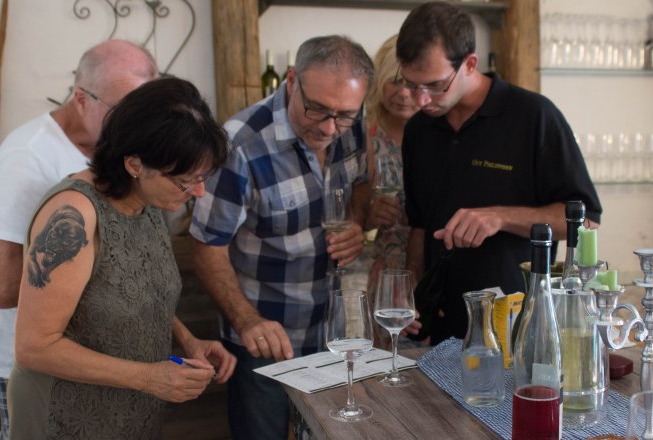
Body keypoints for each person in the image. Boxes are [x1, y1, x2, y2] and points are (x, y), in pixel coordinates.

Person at [7, 77, 237, 439]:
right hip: (66, 418)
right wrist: (150, 376)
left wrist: (188, 340)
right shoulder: (74, 217)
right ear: (134, 164)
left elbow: (129, 290)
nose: (199, 192)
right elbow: (34, 347)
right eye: (185, 181)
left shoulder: (147, 201)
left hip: (129, 411)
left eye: (202, 177)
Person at [189, 35, 374, 439]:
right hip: (265, 336)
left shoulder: (352, 123)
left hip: (334, 329)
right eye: (317, 109)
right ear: (291, 80)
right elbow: (206, 246)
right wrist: (247, 320)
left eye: (343, 115)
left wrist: (357, 222)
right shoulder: (238, 144)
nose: (329, 127)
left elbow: (361, 183)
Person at [396, 2, 602, 344]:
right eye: (409, 84)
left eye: (434, 85)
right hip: (442, 330)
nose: (420, 99)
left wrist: (500, 217)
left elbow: (586, 222)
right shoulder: (419, 130)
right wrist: (414, 293)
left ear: (470, 64)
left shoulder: (533, 117)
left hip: (519, 324)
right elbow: (419, 225)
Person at [0, 39, 158, 439]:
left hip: (105, 365)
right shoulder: (28, 157)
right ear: (82, 98)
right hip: (38, 370)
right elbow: (4, 289)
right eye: (123, 111)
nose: (136, 127)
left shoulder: (114, 149)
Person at [363, 34, 419, 347]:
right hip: (385, 270)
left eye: (411, 84)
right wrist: (369, 217)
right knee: (387, 365)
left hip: (431, 268)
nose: (403, 94)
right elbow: (341, 213)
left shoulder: (436, 133)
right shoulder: (364, 134)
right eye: (393, 82)